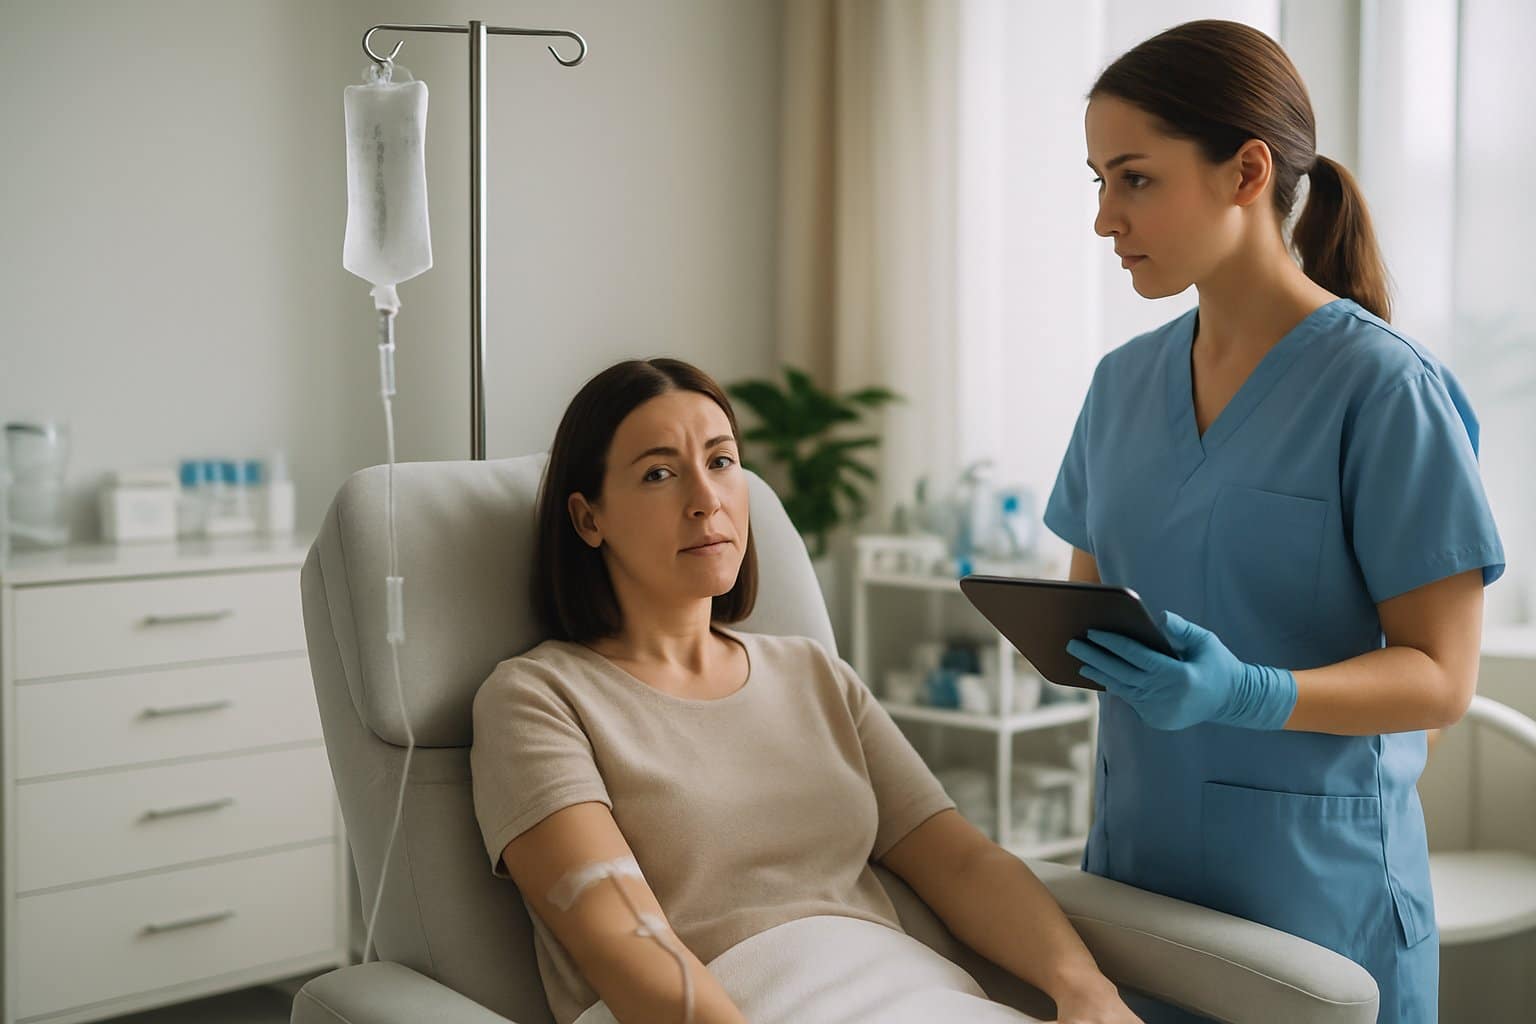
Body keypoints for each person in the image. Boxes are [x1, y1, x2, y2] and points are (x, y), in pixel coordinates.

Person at [1045, 19, 1504, 1024]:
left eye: (1134, 179)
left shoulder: (1383, 390)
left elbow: (1442, 676)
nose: (1105, 219)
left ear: (1245, 172)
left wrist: (1244, 693)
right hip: (1139, 894)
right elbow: (1088, 605)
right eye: (1098, 182)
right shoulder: (1120, 387)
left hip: (1317, 908)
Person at [471, 357, 1142, 1024]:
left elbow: (962, 862)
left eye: (722, 462)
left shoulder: (815, 675)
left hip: (914, 993)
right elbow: (623, 941)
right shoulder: (539, 700)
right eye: (659, 474)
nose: (705, 498)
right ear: (589, 519)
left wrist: (1086, 989)